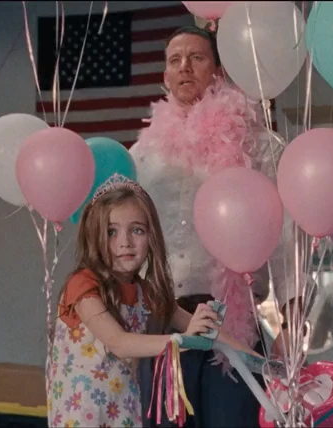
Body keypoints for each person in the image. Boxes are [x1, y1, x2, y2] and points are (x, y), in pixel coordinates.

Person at [129, 25, 278, 427]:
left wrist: (290, 309)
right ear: (165, 76)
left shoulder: (253, 142)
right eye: (175, 60)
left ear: (217, 71)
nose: (185, 67)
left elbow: (281, 225)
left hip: (232, 314)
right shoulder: (142, 152)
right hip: (165, 314)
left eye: (196, 58)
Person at [46, 175, 260, 427]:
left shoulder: (144, 292)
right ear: (94, 237)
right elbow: (119, 343)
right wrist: (183, 340)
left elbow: (208, 332)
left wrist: (262, 365)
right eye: (111, 232)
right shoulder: (82, 285)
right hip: (82, 413)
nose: (125, 242)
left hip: (123, 408)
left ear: (151, 236)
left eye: (137, 230)